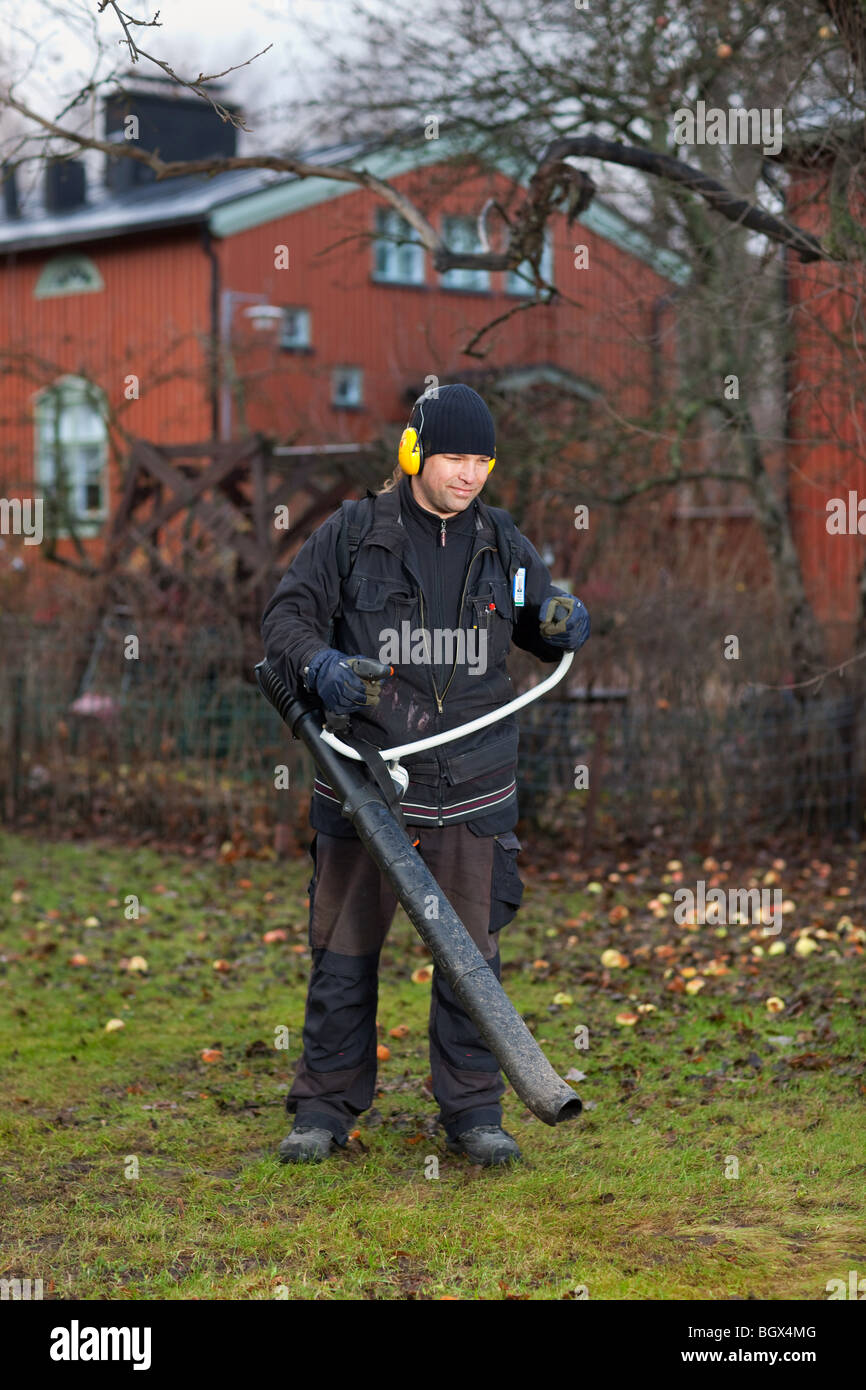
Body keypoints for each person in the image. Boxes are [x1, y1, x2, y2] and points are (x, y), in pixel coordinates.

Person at [261, 383, 590, 1166]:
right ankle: (324, 1108)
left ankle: (474, 1114)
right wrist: (324, 665)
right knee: (343, 954)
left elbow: (542, 623)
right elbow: (284, 621)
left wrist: (562, 620)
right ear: (413, 454)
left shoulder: (503, 543)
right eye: (454, 458)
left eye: (482, 461)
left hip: (474, 784)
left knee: (470, 959)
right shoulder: (351, 534)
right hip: (366, 779)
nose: (470, 474)